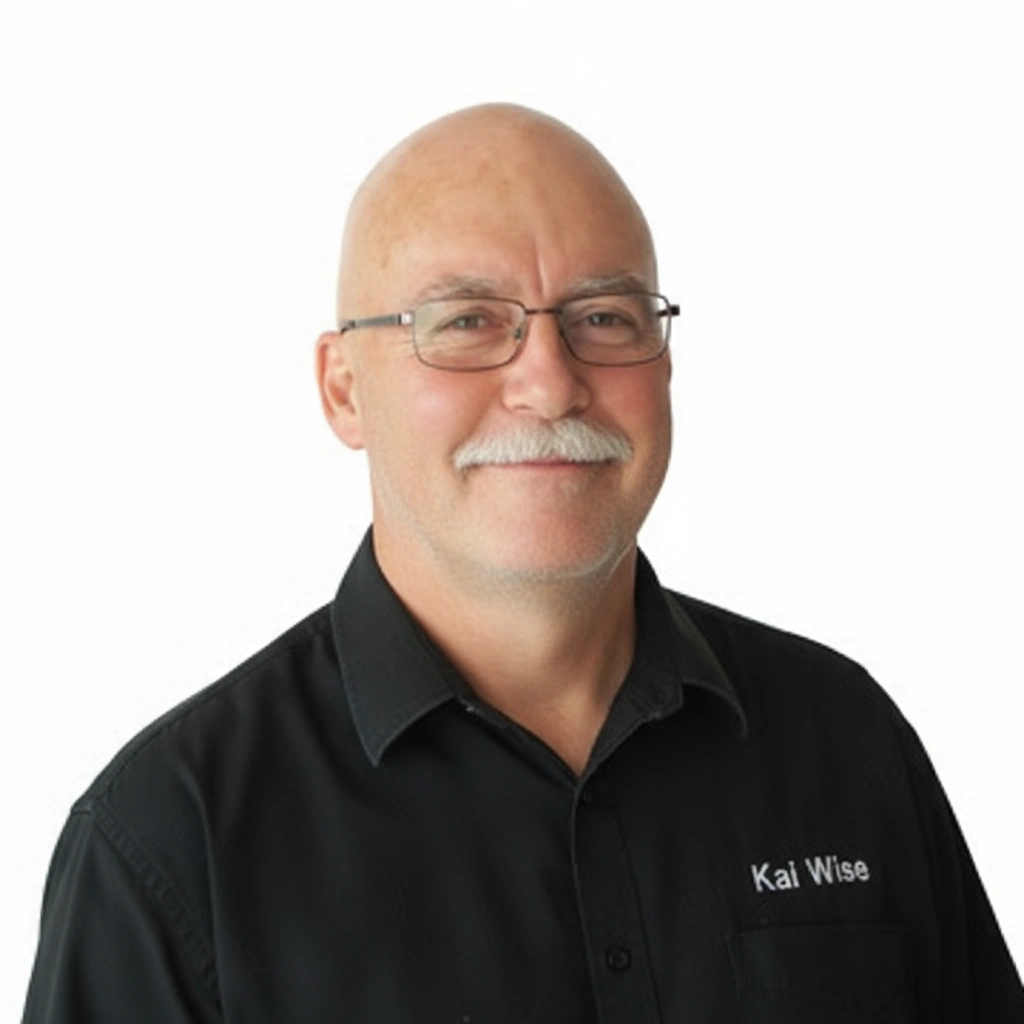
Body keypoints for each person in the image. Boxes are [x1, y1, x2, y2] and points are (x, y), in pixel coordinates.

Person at [21, 103, 1023, 1022]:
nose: (549, 384)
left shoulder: (842, 740)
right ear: (343, 390)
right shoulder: (169, 839)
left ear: (663, 364)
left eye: (602, 319)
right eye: (464, 323)